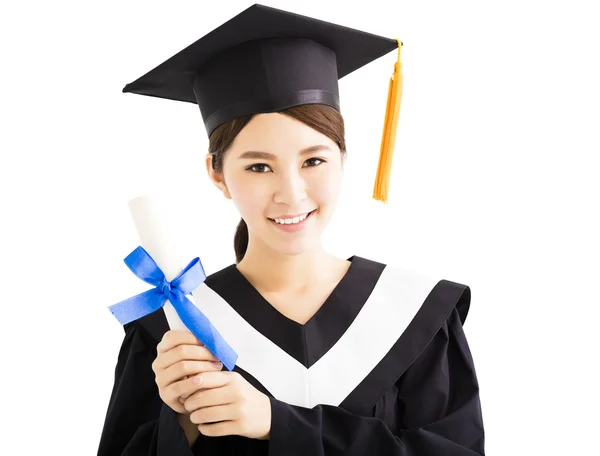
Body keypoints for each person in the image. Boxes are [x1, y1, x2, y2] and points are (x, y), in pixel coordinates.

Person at [98, 4, 485, 455]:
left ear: (344, 159)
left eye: (313, 160)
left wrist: (277, 422)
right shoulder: (171, 333)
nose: (291, 192)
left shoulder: (417, 314)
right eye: (259, 166)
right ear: (217, 173)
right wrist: (182, 421)